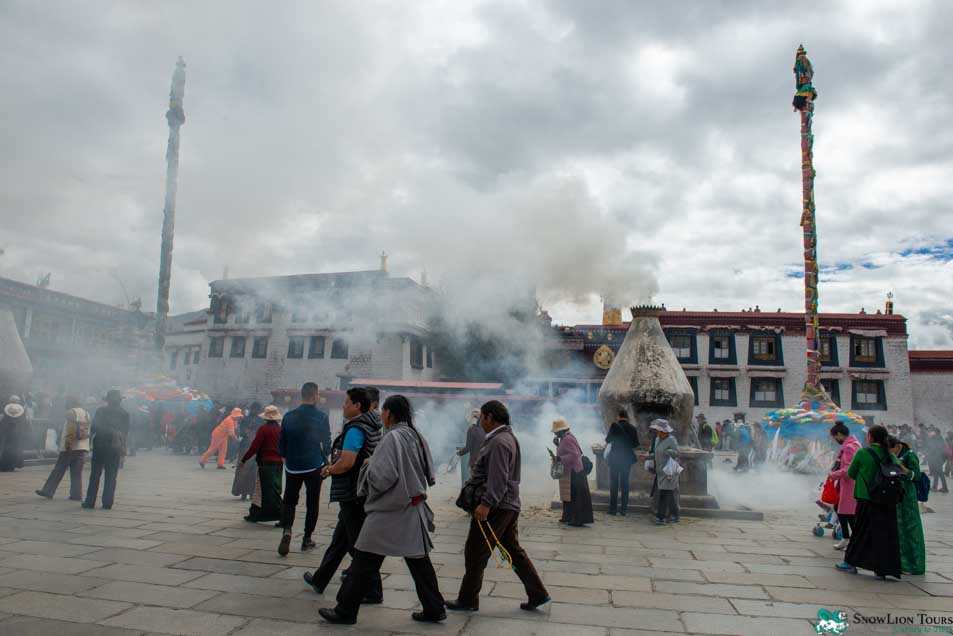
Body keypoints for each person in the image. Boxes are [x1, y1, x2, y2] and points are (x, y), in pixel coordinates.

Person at [319, 395, 445, 625]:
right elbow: (428, 470)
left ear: (389, 413)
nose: (382, 416)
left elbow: (383, 477)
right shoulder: (415, 434)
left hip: (390, 510)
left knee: (363, 560)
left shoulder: (393, 437)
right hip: (412, 506)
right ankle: (434, 608)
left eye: (383, 412)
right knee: (419, 561)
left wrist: (369, 467)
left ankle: (345, 611)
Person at [446, 400, 549, 613]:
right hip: (507, 505)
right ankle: (538, 594)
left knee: (475, 551)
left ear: (489, 417)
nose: (480, 421)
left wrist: (486, 504)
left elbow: (497, 478)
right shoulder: (505, 438)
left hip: (497, 507)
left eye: (482, 417)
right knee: (513, 550)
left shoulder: (499, 442)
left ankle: (467, 599)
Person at [303, 387, 383, 598]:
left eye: (346, 402)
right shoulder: (374, 424)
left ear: (357, 405)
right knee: (340, 540)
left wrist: (329, 469)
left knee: (359, 545)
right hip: (360, 490)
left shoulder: (356, 428)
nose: (343, 406)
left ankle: (373, 590)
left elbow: (347, 462)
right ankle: (321, 579)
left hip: (353, 492)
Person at [837, 425, 902, 580]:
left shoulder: (863, 452)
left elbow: (851, 473)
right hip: (887, 501)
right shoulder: (890, 455)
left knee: (860, 533)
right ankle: (883, 569)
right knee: (884, 535)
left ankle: (851, 563)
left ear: (871, 437)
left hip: (867, 499)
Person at [276, 382, 331, 556]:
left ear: (302, 396)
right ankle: (307, 539)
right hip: (313, 464)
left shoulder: (289, 416)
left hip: (292, 465)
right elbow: (327, 440)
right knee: (312, 502)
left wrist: (286, 457)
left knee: (289, 500)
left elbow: (282, 440)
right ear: (314, 396)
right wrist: (326, 455)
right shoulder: (321, 416)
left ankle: (287, 529)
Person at [82, 390, 129, 510]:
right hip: (114, 447)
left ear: (107, 400)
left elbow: (94, 428)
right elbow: (125, 433)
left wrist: (88, 442)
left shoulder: (101, 411)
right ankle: (107, 503)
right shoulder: (124, 413)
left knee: (95, 475)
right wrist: (123, 448)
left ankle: (90, 501)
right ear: (120, 400)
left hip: (100, 445)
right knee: (111, 476)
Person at [36, 398, 90, 500]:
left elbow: (71, 430)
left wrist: (68, 446)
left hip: (70, 447)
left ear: (71, 403)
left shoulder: (72, 412)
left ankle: (48, 491)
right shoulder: (86, 413)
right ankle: (76, 495)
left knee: (58, 470)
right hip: (82, 447)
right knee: (76, 472)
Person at [240, 405, 284, 523]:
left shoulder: (263, 429)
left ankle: (258, 514)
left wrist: (244, 459)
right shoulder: (280, 429)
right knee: (275, 488)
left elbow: (255, 446)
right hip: (278, 464)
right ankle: (255, 513)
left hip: (266, 464)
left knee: (261, 489)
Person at [889, 436, 926, 575]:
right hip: (897, 496)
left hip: (908, 498)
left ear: (897, 446)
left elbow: (916, 476)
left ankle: (916, 565)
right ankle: (902, 562)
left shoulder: (910, 456)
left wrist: (901, 466)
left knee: (911, 530)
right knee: (899, 530)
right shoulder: (892, 455)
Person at [553, 419, 593, 527]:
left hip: (575, 471)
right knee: (568, 495)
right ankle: (568, 516)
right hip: (570, 470)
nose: (555, 433)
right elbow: (566, 452)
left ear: (560, 430)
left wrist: (559, 458)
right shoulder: (564, 438)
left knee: (575, 496)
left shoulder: (567, 439)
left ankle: (576, 519)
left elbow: (575, 455)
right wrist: (557, 445)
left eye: (555, 431)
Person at [828, 423, 861, 550]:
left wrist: (833, 474)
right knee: (841, 511)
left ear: (840, 435)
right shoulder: (854, 444)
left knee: (849, 514)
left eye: (834, 437)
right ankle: (847, 538)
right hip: (848, 484)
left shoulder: (849, 447)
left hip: (849, 485)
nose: (835, 440)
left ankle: (853, 540)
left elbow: (848, 469)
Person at [605, 410, 639, 516]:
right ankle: (624, 510)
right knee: (625, 484)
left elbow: (608, 440)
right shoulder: (633, 428)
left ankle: (613, 509)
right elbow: (635, 444)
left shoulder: (614, 426)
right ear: (627, 417)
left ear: (618, 416)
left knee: (614, 484)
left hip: (615, 458)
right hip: (626, 459)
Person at [232, 403, 263, 501]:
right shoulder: (260, 421)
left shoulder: (246, 419)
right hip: (252, 448)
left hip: (248, 448)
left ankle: (246, 493)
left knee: (246, 470)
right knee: (251, 471)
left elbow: (241, 433)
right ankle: (248, 493)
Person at [652, 419, 680, 525]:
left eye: (658, 430)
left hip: (669, 471)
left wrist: (668, 451)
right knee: (670, 494)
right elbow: (656, 453)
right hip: (660, 471)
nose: (656, 432)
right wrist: (647, 457)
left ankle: (660, 517)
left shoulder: (671, 439)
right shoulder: (657, 440)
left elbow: (677, 453)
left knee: (664, 494)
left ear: (663, 431)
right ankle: (675, 515)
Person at [457, 408, 485, 487]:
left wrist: (459, 453)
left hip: (475, 461)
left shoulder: (472, 429)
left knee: (475, 484)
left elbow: (468, 447)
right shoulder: (486, 429)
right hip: (485, 460)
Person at [0, 396, 28, 472]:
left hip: (8, 433)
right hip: (15, 433)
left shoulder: (5, 409)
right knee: (13, 449)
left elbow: (2, 420)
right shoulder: (22, 410)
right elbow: (24, 422)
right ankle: (11, 466)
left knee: (7, 449)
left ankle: (5, 466)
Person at [925, 427, 949, 493]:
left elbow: (935, 448)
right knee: (936, 473)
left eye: (932, 431)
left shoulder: (938, 439)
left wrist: (929, 454)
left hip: (937, 459)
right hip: (936, 459)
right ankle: (935, 487)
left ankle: (945, 488)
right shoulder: (937, 438)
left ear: (936, 432)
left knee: (940, 473)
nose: (931, 433)